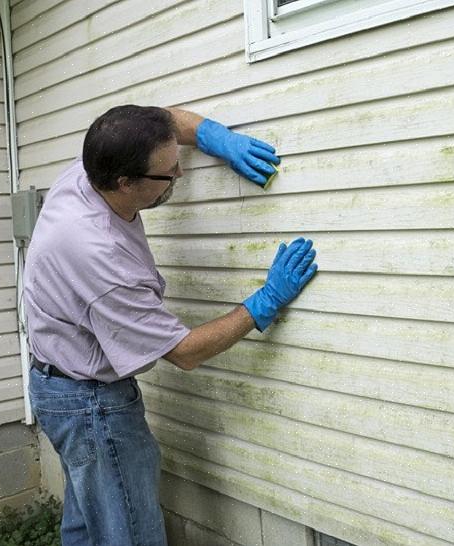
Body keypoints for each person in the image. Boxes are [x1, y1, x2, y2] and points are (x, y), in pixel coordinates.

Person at [23, 105, 317, 546]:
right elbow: (184, 352)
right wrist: (264, 301)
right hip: (90, 406)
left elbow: (164, 121)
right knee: (129, 535)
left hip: (60, 384)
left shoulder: (92, 169)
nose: (180, 172)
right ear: (125, 183)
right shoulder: (99, 257)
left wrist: (216, 138)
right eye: (168, 171)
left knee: (89, 530)